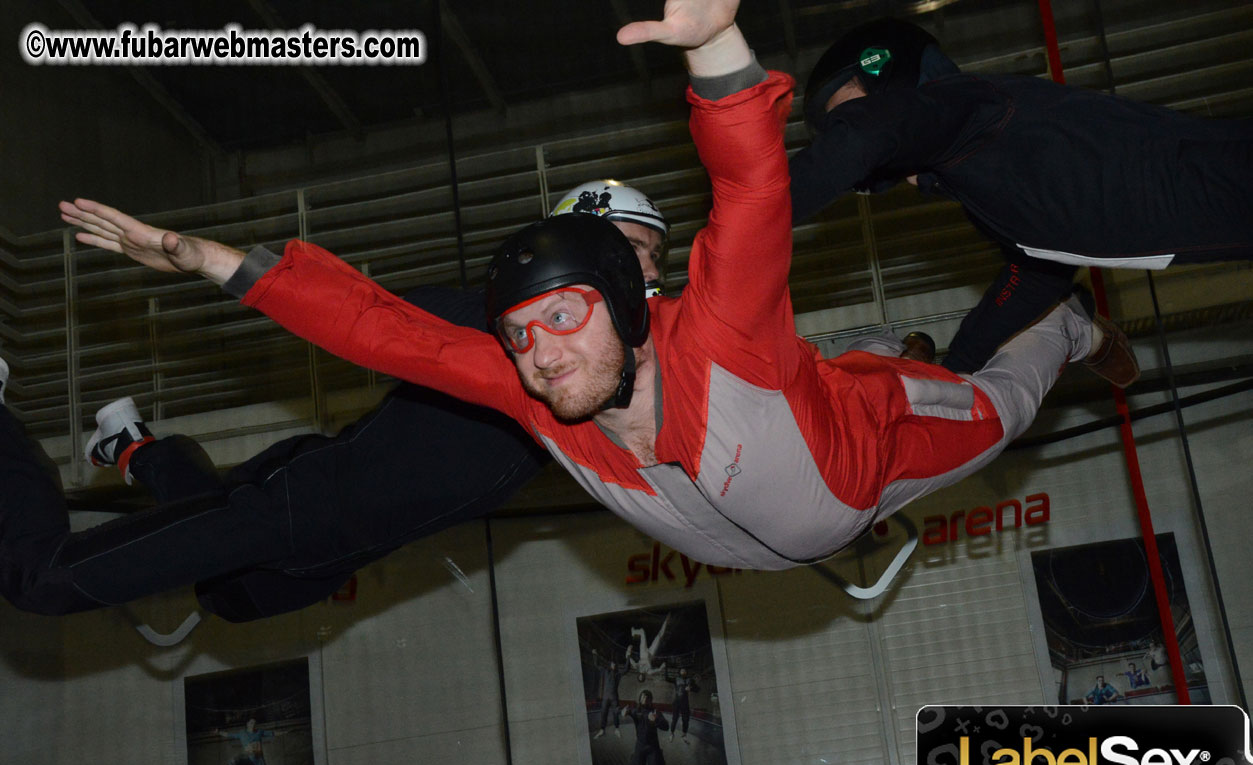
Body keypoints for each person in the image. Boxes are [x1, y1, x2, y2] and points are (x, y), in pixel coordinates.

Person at [49, 0, 1134, 589]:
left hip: (859, 454)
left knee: (997, 392)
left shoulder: (720, 333)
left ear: (627, 299)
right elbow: (384, 334)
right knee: (254, 558)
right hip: (755, 532)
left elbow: (751, 193)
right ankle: (153, 461)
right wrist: (211, 262)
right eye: (519, 336)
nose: (538, 355)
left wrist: (717, 51)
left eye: (560, 320)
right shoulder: (537, 386)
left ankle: (1070, 313)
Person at [0, 180, 663, 618]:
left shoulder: (594, 376)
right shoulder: (490, 327)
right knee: (42, 581)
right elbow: (356, 313)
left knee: (231, 597)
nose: (653, 271)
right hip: (297, 502)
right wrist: (207, 259)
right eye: (636, 250)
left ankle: (136, 447)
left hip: (332, 542)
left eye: (655, 255)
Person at [791, 17, 1253, 376]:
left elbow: (867, 135)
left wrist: (747, 213)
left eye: (848, 116)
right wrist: (960, 367)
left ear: (888, 80)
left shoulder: (967, 108)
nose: (844, 135)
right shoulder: (974, 174)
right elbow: (1037, 274)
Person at [212, 718, 287, 765]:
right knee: (233, 761)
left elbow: (273, 733)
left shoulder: (259, 732)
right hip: (247, 757)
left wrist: (283, 732)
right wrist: (219, 732)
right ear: (247, 724)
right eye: (251, 723)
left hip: (258, 759)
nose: (253, 724)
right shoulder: (242, 733)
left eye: (254, 723)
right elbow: (229, 735)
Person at [622, 689, 669, 765]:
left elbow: (666, 727)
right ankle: (634, 758)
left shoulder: (655, 712)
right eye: (643, 697)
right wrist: (623, 712)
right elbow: (626, 711)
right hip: (640, 746)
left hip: (653, 746)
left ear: (651, 700)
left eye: (648, 697)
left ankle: (659, 759)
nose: (645, 699)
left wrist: (656, 720)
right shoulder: (636, 711)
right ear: (640, 699)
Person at [590, 649, 625, 739]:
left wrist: (628, 656)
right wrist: (595, 655)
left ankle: (617, 729)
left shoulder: (618, 674)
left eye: (615, 664)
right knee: (603, 713)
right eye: (612, 664)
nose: (614, 665)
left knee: (615, 713)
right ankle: (602, 730)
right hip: (606, 697)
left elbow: (626, 669)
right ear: (610, 665)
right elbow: (596, 665)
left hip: (614, 698)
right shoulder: (606, 671)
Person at [626, 613, 669, 682]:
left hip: (643, 654)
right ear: (644, 677)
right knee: (659, 637)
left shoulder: (637, 668)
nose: (641, 676)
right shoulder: (649, 672)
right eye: (642, 677)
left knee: (642, 631)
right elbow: (658, 670)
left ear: (638, 675)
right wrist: (661, 667)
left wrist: (628, 652)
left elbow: (630, 660)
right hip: (651, 654)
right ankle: (667, 620)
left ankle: (634, 632)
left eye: (639, 677)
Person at [668, 666, 700, 743]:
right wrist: (665, 667)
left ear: (686, 672)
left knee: (686, 720)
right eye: (682, 671)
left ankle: (684, 735)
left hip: (685, 703)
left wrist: (691, 689)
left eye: (684, 671)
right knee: (674, 719)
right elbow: (667, 678)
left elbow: (698, 689)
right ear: (679, 672)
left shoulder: (690, 680)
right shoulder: (676, 679)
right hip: (676, 703)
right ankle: (672, 734)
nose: (683, 672)